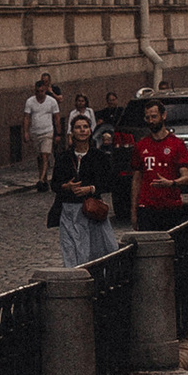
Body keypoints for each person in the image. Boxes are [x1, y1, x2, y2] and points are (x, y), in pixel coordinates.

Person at [50, 112, 117, 266]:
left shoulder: (99, 156)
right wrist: (66, 186)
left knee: (97, 251)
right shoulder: (63, 157)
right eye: (78, 127)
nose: (82, 130)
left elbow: (109, 182)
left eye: (85, 127)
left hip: (91, 210)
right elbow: (54, 184)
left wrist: (91, 189)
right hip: (69, 211)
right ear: (72, 132)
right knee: (72, 251)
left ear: (90, 130)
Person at [129, 94, 188, 228]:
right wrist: (134, 210)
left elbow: (185, 177)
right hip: (147, 207)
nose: (151, 121)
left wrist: (171, 183)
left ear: (164, 116)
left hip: (170, 207)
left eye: (154, 116)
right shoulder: (141, 145)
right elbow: (137, 179)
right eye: (148, 117)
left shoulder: (177, 144)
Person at [23, 74, 59, 190]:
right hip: (35, 132)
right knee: (39, 157)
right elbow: (26, 117)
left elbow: (57, 118)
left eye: (42, 91)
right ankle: (43, 179)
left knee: (45, 156)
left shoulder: (52, 101)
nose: (40, 94)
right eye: (37, 91)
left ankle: (40, 180)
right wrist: (26, 132)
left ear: (45, 90)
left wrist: (58, 133)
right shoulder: (30, 102)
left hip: (47, 131)